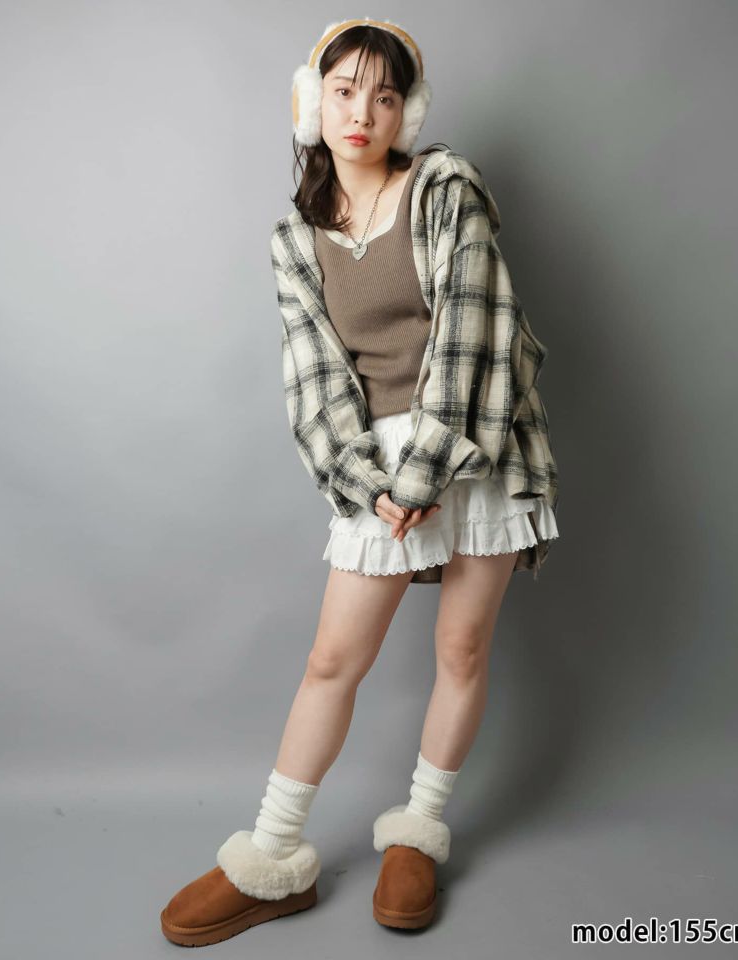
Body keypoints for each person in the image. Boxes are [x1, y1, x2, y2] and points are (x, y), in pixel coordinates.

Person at [160, 17, 560, 946]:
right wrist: (363, 474)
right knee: (332, 660)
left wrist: (428, 469)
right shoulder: (295, 238)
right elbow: (314, 379)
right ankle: (272, 855)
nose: (362, 113)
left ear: (406, 112)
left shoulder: (444, 191)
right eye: (344, 91)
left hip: (479, 438)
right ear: (313, 102)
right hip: (378, 464)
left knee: (462, 650)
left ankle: (418, 831)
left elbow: (473, 333)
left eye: (385, 96)